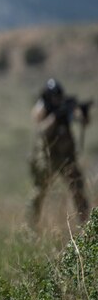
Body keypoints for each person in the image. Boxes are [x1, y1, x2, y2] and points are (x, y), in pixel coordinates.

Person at [27, 78, 91, 229]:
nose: (56, 99)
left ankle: (87, 227)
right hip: (48, 158)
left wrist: (83, 113)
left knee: (78, 190)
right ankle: (31, 228)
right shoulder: (42, 108)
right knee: (39, 192)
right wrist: (55, 117)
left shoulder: (67, 106)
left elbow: (82, 119)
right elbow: (41, 130)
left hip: (67, 157)